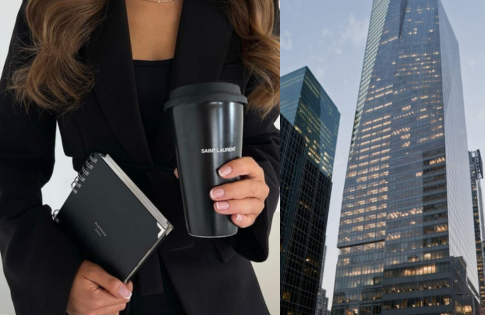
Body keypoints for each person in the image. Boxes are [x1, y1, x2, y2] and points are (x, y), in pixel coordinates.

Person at [0, 0, 279, 314]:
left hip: (219, 287)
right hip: (98, 279)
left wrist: (255, 190)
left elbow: (262, 141)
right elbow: (10, 161)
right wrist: (54, 276)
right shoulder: (48, 6)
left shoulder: (253, 5)